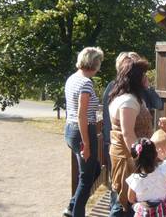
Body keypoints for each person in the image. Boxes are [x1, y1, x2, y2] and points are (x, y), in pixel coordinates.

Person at [102, 52, 163, 217]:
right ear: (136, 78)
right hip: (129, 159)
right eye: (143, 74)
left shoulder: (130, 96)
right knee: (124, 203)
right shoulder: (127, 101)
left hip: (130, 157)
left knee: (123, 201)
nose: (145, 77)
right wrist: (142, 159)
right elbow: (128, 133)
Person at [63, 47, 104, 217]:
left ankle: (72, 207)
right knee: (86, 178)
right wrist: (86, 144)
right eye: (99, 62)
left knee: (93, 170)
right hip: (83, 131)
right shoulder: (86, 83)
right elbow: (82, 114)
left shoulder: (72, 78)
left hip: (70, 129)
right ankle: (76, 213)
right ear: (94, 63)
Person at [126, 117, 166, 216]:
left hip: (143, 213)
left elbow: (130, 198)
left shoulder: (134, 179)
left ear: (135, 159)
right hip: (163, 212)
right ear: (155, 154)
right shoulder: (163, 170)